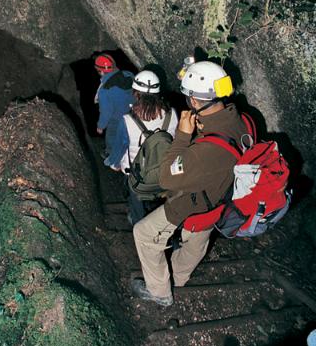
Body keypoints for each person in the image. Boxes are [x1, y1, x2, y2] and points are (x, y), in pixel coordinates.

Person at [131, 59, 249, 307]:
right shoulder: (241, 121)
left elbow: (166, 177)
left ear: (195, 101)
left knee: (143, 233)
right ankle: (179, 278)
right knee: (196, 244)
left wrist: (183, 135)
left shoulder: (204, 150)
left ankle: (160, 292)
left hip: (194, 202)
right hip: (221, 200)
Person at [105, 70, 179, 224]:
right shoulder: (172, 115)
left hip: (137, 177)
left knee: (136, 204)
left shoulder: (126, 121)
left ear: (136, 93)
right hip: (165, 172)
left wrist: (113, 164)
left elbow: (118, 151)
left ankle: (139, 225)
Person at [94, 53, 134, 160]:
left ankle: (110, 154)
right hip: (134, 114)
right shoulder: (128, 75)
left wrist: (101, 126)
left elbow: (106, 112)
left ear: (101, 71)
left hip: (117, 119)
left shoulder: (105, 90)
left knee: (111, 134)